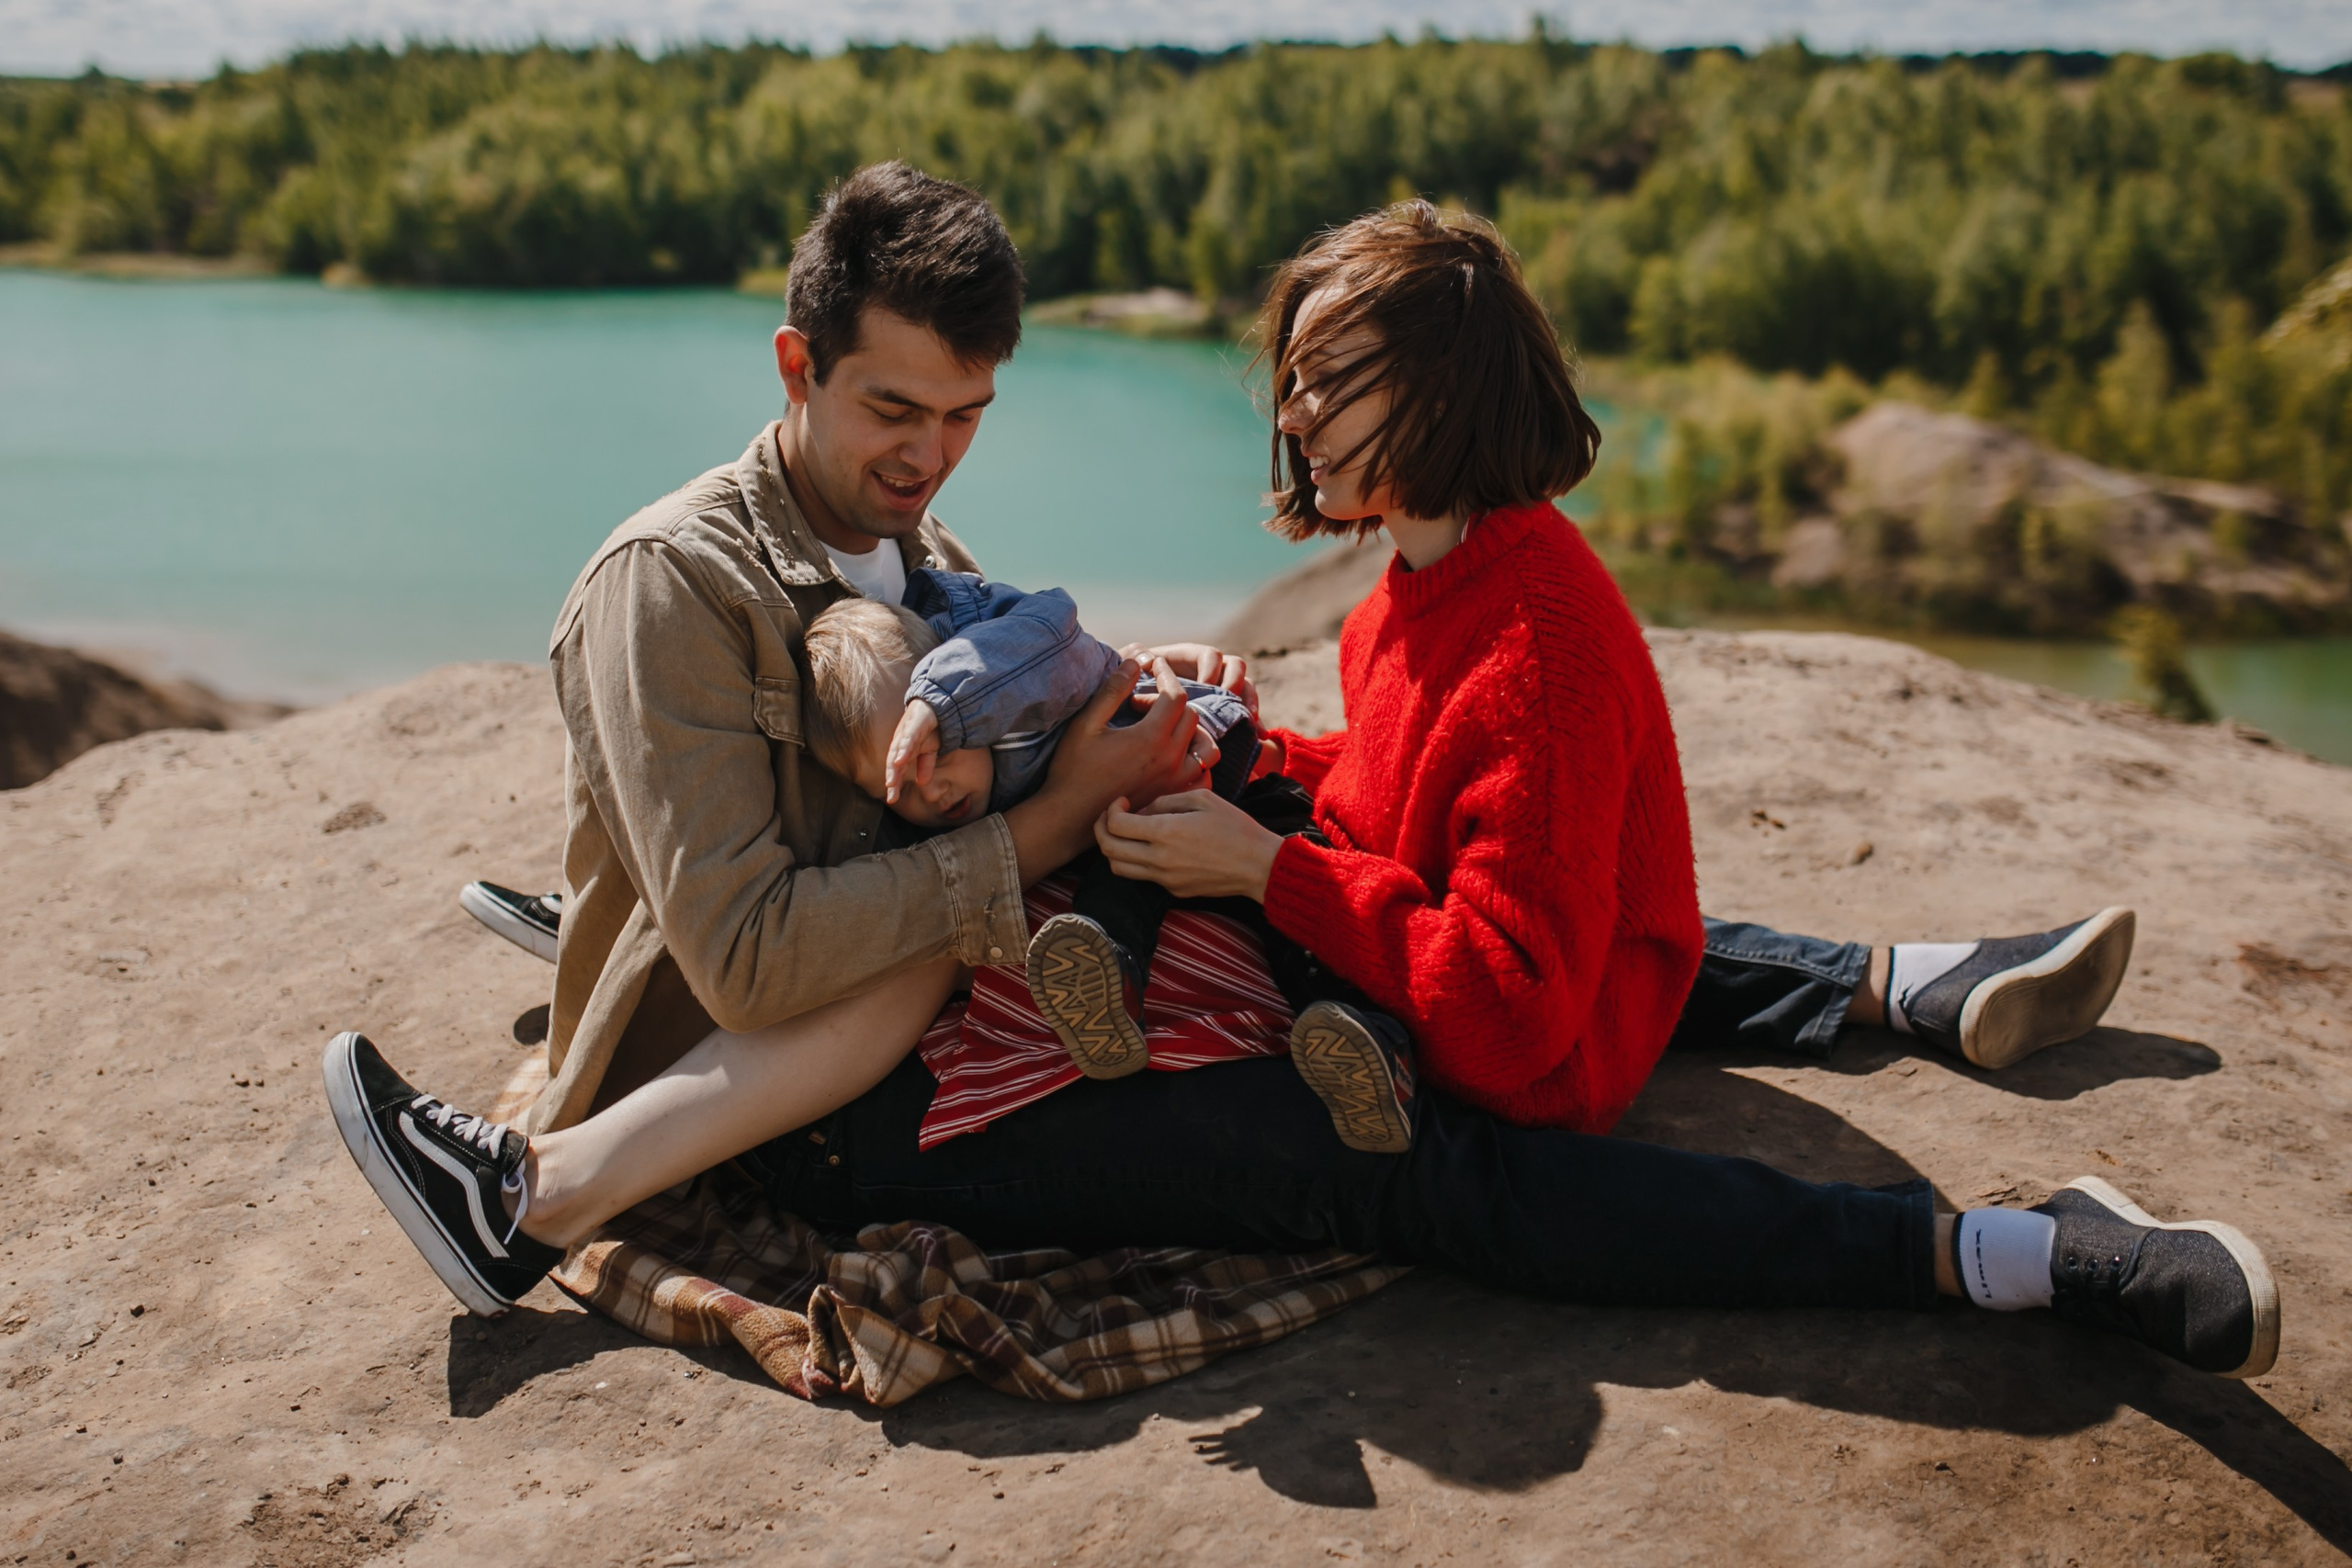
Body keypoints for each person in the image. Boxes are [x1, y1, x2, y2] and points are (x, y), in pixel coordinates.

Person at [325, 171, 2274, 1387]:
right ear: (795, 367)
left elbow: (1411, 860)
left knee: (1386, 912)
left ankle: (1907, 1020)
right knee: (1409, 1163)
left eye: (965, 413)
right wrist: (1098, 820)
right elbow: (751, 949)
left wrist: (1189, 754)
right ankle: (1998, 1248)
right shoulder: (678, 584)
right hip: (861, 1087)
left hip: (1006, 976)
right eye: (896, 408)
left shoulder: (903, 533)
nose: (932, 454)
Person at [799, 582, 1417, 1148]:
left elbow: (1052, 623)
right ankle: (1105, 1003)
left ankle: (1369, 1046)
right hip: (1136, 836)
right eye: (902, 788)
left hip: (1227, 783)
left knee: (1300, 893)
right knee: (1114, 887)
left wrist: (941, 701)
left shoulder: (1016, 688)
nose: (932, 791)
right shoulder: (946, 806)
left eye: (938, 750)